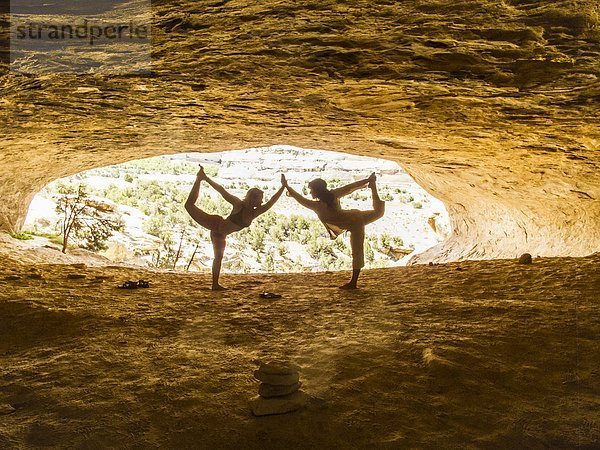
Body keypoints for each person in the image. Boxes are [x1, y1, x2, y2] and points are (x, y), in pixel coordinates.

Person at [185, 166, 285, 290]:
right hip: (215, 224)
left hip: (220, 234)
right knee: (188, 205)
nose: (262, 201)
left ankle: (215, 285)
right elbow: (222, 191)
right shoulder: (238, 204)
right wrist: (206, 179)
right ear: (252, 198)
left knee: (218, 258)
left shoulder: (255, 212)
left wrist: (283, 187)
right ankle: (199, 179)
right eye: (260, 198)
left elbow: (271, 202)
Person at [282, 173, 385, 289]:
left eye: (311, 190)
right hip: (354, 218)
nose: (310, 192)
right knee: (378, 213)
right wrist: (367, 180)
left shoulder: (317, 206)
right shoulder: (333, 195)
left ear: (317, 191)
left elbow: (299, 198)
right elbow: (349, 188)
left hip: (355, 221)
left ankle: (353, 283)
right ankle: (373, 185)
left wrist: (287, 186)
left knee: (357, 251)